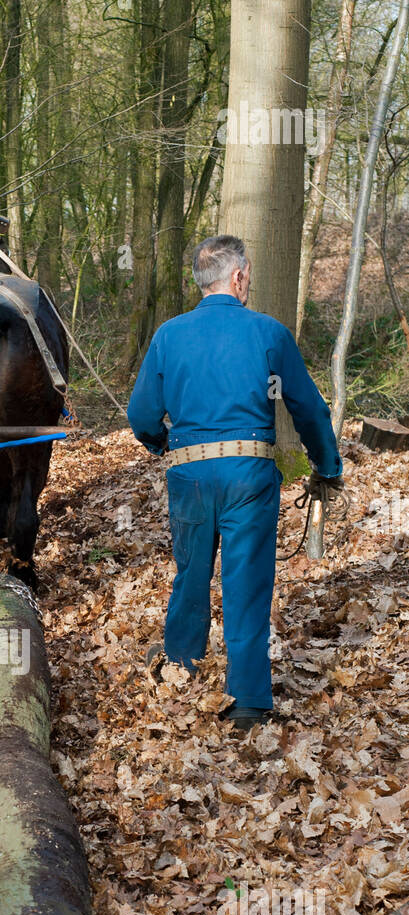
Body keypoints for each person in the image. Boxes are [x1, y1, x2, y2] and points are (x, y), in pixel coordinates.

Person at [127, 234, 344, 731]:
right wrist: (327, 466)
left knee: (191, 569)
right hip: (249, 474)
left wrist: (166, 446)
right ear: (239, 276)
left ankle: (181, 663)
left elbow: (140, 414)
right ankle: (247, 699)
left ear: (201, 280)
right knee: (246, 581)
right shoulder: (268, 333)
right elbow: (309, 408)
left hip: (190, 473)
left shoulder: (168, 335)